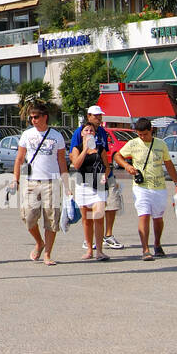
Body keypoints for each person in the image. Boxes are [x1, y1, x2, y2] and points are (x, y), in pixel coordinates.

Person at [111, 117, 177, 261]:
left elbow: (169, 164)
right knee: (143, 215)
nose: (143, 137)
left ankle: (157, 244)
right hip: (141, 187)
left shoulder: (160, 144)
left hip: (159, 187)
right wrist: (127, 166)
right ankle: (145, 249)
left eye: (145, 134)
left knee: (157, 218)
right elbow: (117, 155)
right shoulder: (132, 144)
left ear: (151, 130)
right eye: (139, 135)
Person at [11, 105, 70, 266]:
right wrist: (15, 179)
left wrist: (66, 184)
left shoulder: (56, 136)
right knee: (28, 217)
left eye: (36, 117)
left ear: (45, 117)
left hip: (52, 181)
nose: (33, 120)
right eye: (31, 117)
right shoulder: (27, 134)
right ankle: (39, 242)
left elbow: (61, 160)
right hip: (31, 181)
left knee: (51, 219)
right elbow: (19, 158)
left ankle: (48, 254)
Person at [71, 105, 123, 250]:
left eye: (100, 115)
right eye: (96, 115)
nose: (99, 118)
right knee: (89, 213)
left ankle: (108, 235)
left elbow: (105, 154)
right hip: (87, 177)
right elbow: (73, 156)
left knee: (112, 204)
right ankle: (88, 240)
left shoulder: (102, 132)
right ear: (89, 116)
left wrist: (107, 173)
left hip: (104, 176)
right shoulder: (79, 132)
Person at [68, 122, 110, 261]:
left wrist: (105, 174)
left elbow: (107, 166)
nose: (89, 132)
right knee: (86, 220)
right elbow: (76, 164)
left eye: (91, 130)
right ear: (81, 133)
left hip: (98, 184)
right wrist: (85, 149)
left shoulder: (100, 148)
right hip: (83, 184)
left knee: (98, 216)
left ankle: (99, 251)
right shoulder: (77, 148)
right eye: (86, 130)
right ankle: (89, 250)